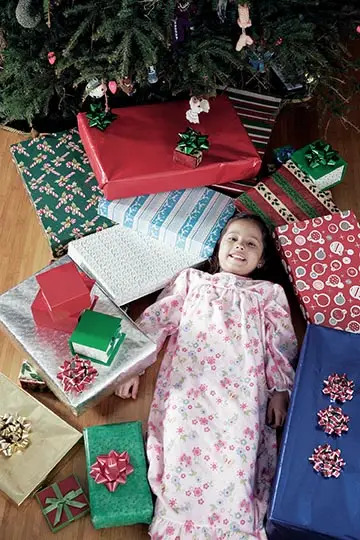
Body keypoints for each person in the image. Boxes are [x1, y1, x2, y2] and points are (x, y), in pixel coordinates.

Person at [116, 212, 298, 539]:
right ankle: (177, 520)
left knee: (238, 451)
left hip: (242, 390)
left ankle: (236, 524)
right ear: (218, 248)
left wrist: (280, 390)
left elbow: (281, 342)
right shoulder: (192, 281)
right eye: (233, 238)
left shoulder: (267, 294)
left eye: (251, 244)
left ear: (260, 260)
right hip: (191, 383)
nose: (239, 246)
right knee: (179, 442)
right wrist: (135, 366)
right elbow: (158, 319)